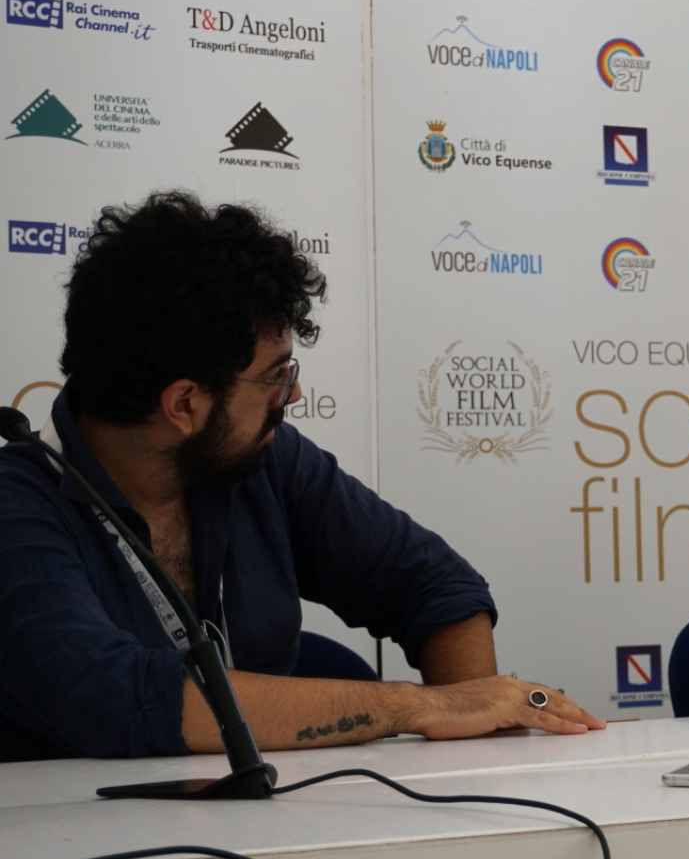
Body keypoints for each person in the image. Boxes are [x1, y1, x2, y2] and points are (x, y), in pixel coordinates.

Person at [0, 193, 604, 761]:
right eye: (275, 376)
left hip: (272, 823)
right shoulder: (16, 508)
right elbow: (113, 696)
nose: (292, 395)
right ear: (184, 405)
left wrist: (475, 741)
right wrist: (418, 707)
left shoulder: (262, 460)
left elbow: (433, 584)